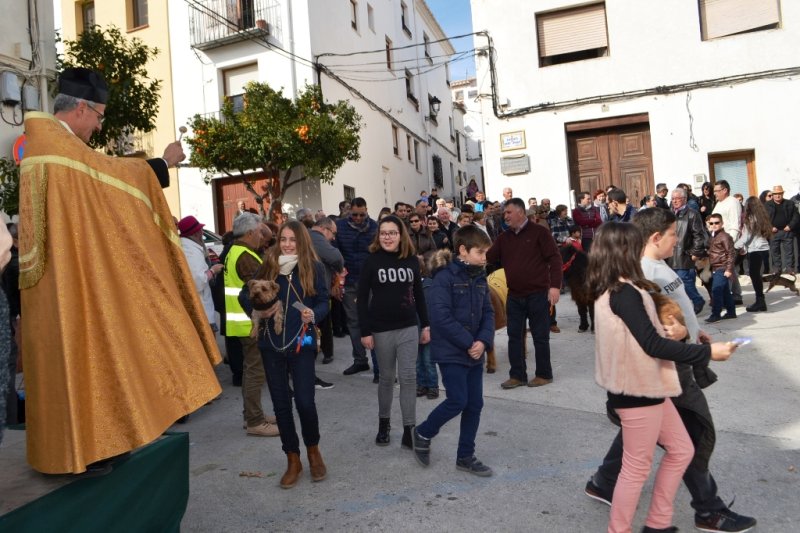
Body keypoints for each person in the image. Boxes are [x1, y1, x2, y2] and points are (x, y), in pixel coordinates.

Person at [18, 67, 221, 475]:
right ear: (80, 108)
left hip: (63, 278)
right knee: (87, 348)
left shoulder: (51, 150)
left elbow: (100, 175)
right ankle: (91, 447)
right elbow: (108, 177)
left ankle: (81, 446)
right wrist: (163, 162)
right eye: (99, 115)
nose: (99, 124)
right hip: (72, 281)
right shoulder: (62, 154)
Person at [586, 210, 754, 533]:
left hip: (651, 387)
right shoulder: (624, 294)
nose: (640, 252)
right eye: (634, 247)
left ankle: (658, 524)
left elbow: (643, 337)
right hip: (639, 390)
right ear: (622, 252)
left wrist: (684, 332)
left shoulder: (622, 289)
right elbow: (651, 344)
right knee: (637, 468)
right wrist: (707, 353)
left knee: (682, 449)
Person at [241, 221, 330, 489]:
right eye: (283, 239)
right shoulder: (268, 266)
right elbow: (244, 296)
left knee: (305, 402)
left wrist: (314, 314)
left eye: (293, 239)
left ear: (302, 242)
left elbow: (324, 301)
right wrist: (257, 309)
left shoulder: (313, 267)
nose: (287, 244)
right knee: (281, 406)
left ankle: (313, 452)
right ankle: (293, 459)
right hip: (271, 346)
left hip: (301, 343)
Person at [412, 226, 495, 476]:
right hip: (451, 352)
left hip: (474, 352)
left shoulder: (479, 277)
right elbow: (440, 317)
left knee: (475, 404)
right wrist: (469, 343)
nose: (484, 258)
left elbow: (488, 313)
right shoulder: (444, 278)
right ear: (463, 251)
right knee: (458, 400)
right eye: (480, 252)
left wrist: (482, 342)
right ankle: (423, 432)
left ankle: (465, 456)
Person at [358, 216, 430, 449]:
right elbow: (361, 300)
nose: (388, 237)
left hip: (408, 326)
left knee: (409, 377)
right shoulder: (371, 261)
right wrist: (365, 331)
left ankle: (410, 429)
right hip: (381, 329)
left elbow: (419, 294)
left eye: (393, 232)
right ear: (379, 236)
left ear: (401, 235)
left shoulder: (411, 260)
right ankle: (384, 424)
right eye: (384, 233)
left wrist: (426, 325)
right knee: (387, 379)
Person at [488, 198, 562, 389]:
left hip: (538, 294)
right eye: (504, 213)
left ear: (520, 212)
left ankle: (544, 374)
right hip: (515, 296)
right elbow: (488, 257)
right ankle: (517, 375)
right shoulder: (503, 238)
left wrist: (555, 286)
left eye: (508, 213)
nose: (505, 216)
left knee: (540, 336)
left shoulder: (540, 233)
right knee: (514, 336)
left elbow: (554, 260)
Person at [224, 213, 279, 436]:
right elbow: (257, 292)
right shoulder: (245, 255)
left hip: (242, 322)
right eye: (258, 231)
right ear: (249, 233)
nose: (260, 236)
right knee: (256, 372)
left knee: (250, 371)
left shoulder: (235, 250)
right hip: (250, 322)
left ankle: (251, 415)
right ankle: (255, 421)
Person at [335, 197, 379, 377]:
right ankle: (360, 360)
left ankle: (379, 365)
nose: (358, 218)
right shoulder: (340, 227)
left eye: (362, 214)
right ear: (349, 212)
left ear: (367, 210)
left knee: (375, 321)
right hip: (350, 280)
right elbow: (336, 254)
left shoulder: (375, 227)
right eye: (355, 215)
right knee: (353, 322)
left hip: (371, 282)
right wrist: (337, 280)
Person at [310, 217, 344, 370]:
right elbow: (336, 257)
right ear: (324, 229)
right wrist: (338, 268)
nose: (334, 238)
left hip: (315, 287)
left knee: (322, 320)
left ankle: (323, 351)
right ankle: (320, 352)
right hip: (316, 289)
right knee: (321, 320)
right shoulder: (316, 238)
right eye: (333, 233)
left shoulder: (308, 236)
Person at [179, 216, 223, 331]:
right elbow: (197, 281)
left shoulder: (191, 247)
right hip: (201, 310)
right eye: (200, 230)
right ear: (196, 233)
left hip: (201, 308)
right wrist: (213, 271)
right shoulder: (190, 251)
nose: (202, 232)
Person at [667, 188, 707, 314]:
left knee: (685, 281)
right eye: (672, 199)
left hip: (685, 254)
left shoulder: (692, 214)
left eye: (677, 199)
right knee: (674, 284)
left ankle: (697, 300)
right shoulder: (669, 214)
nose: (674, 201)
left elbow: (699, 235)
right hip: (670, 255)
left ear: (684, 199)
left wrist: (695, 252)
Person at [735, 197, 772, 312]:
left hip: (756, 250)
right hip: (763, 248)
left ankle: (760, 301)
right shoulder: (761, 217)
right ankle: (760, 301)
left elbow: (747, 236)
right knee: (756, 276)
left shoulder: (751, 218)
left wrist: (735, 246)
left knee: (755, 276)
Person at [711, 180, 743, 304]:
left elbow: (735, 224)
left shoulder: (732, 202)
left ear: (725, 190)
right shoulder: (719, 203)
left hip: (727, 242)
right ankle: (736, 295)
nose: (715, 194)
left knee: (725, 270)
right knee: (730, 270)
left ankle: (726, 297)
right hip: (718, 241)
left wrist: (730, 244)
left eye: (717, 191)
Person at [704, 214, 737, 323]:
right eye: (711, 223)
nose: (714, 225)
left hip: (722, 267)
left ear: (722, 223)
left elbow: (731, 253)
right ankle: (731, 312)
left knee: (716, 290)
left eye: (717, 223)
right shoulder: (714, 235)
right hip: (716, 266)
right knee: (725, 291)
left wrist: (728, 269)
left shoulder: (725, 236)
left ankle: (716, 314)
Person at [765, 185, 798, 275]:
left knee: (789, 252)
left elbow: (796, 216)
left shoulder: (790, 203)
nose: (777, 196)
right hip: (773, 232)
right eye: (775, 194)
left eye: (779, 193)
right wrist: (770, 227)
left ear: (782, 194)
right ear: (773, 195)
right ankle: (777, 269)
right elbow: (764, 218)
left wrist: (790, 226)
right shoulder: (767, 205)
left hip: (787, 231)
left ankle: (790, 269)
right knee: (775, 251)